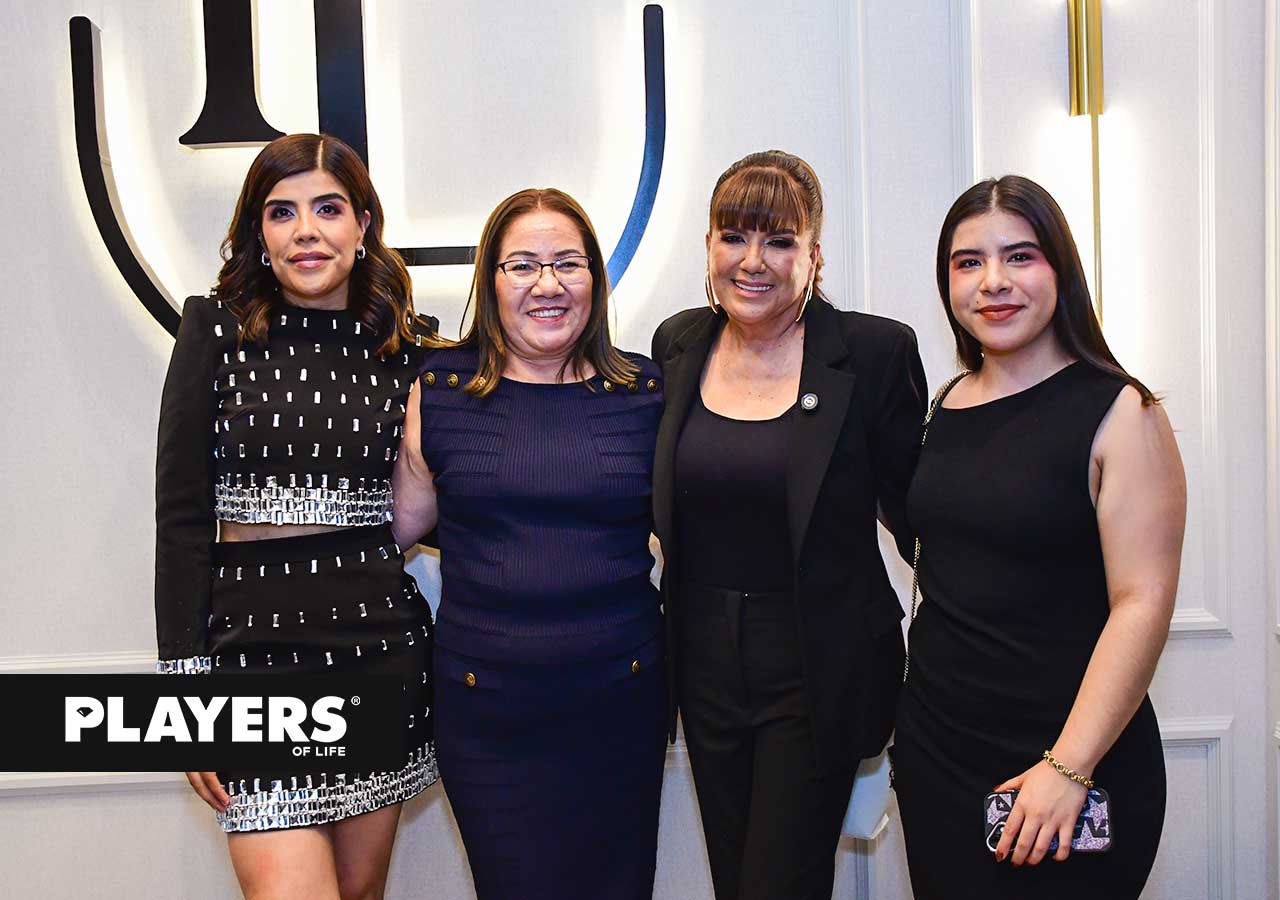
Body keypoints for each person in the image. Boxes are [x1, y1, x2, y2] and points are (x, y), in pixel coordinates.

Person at [154, 133, 437, 899]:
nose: (306, 230)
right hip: (252, 666)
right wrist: (184, 685)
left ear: (363, 225)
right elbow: (181, 521)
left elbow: (451, 491)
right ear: (258, 231)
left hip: (377, 653)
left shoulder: (407, 349)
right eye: (282, 212)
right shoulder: (215, 329)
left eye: (328, 209)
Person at [892, 175, 1186, 899]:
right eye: (968, 262)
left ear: (1061, 269)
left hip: (1069, 762)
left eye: (1020, 257)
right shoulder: (944, 404)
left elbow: (1143, 602)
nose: (993, 281)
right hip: (939, 758)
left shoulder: (1123, 412)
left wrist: (1068, 768)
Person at [649, 150, 927, 900]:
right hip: (703, 664)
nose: (752, 261)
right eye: (733, 236)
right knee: (736, 880)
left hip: (816, 667)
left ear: (814, 255)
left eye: (779, 240)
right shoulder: (679, 345)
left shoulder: (873, 354)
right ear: (709, 245)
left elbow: (920, 514)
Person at [391, 188, 667, 900]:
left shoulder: (644, 390)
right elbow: (389, 535)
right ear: (490, 281)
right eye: (522, 265)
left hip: (620, 707)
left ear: (595, 280)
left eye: (567, 263)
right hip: (487, 718)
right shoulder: (440, 392)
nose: (548, 284)